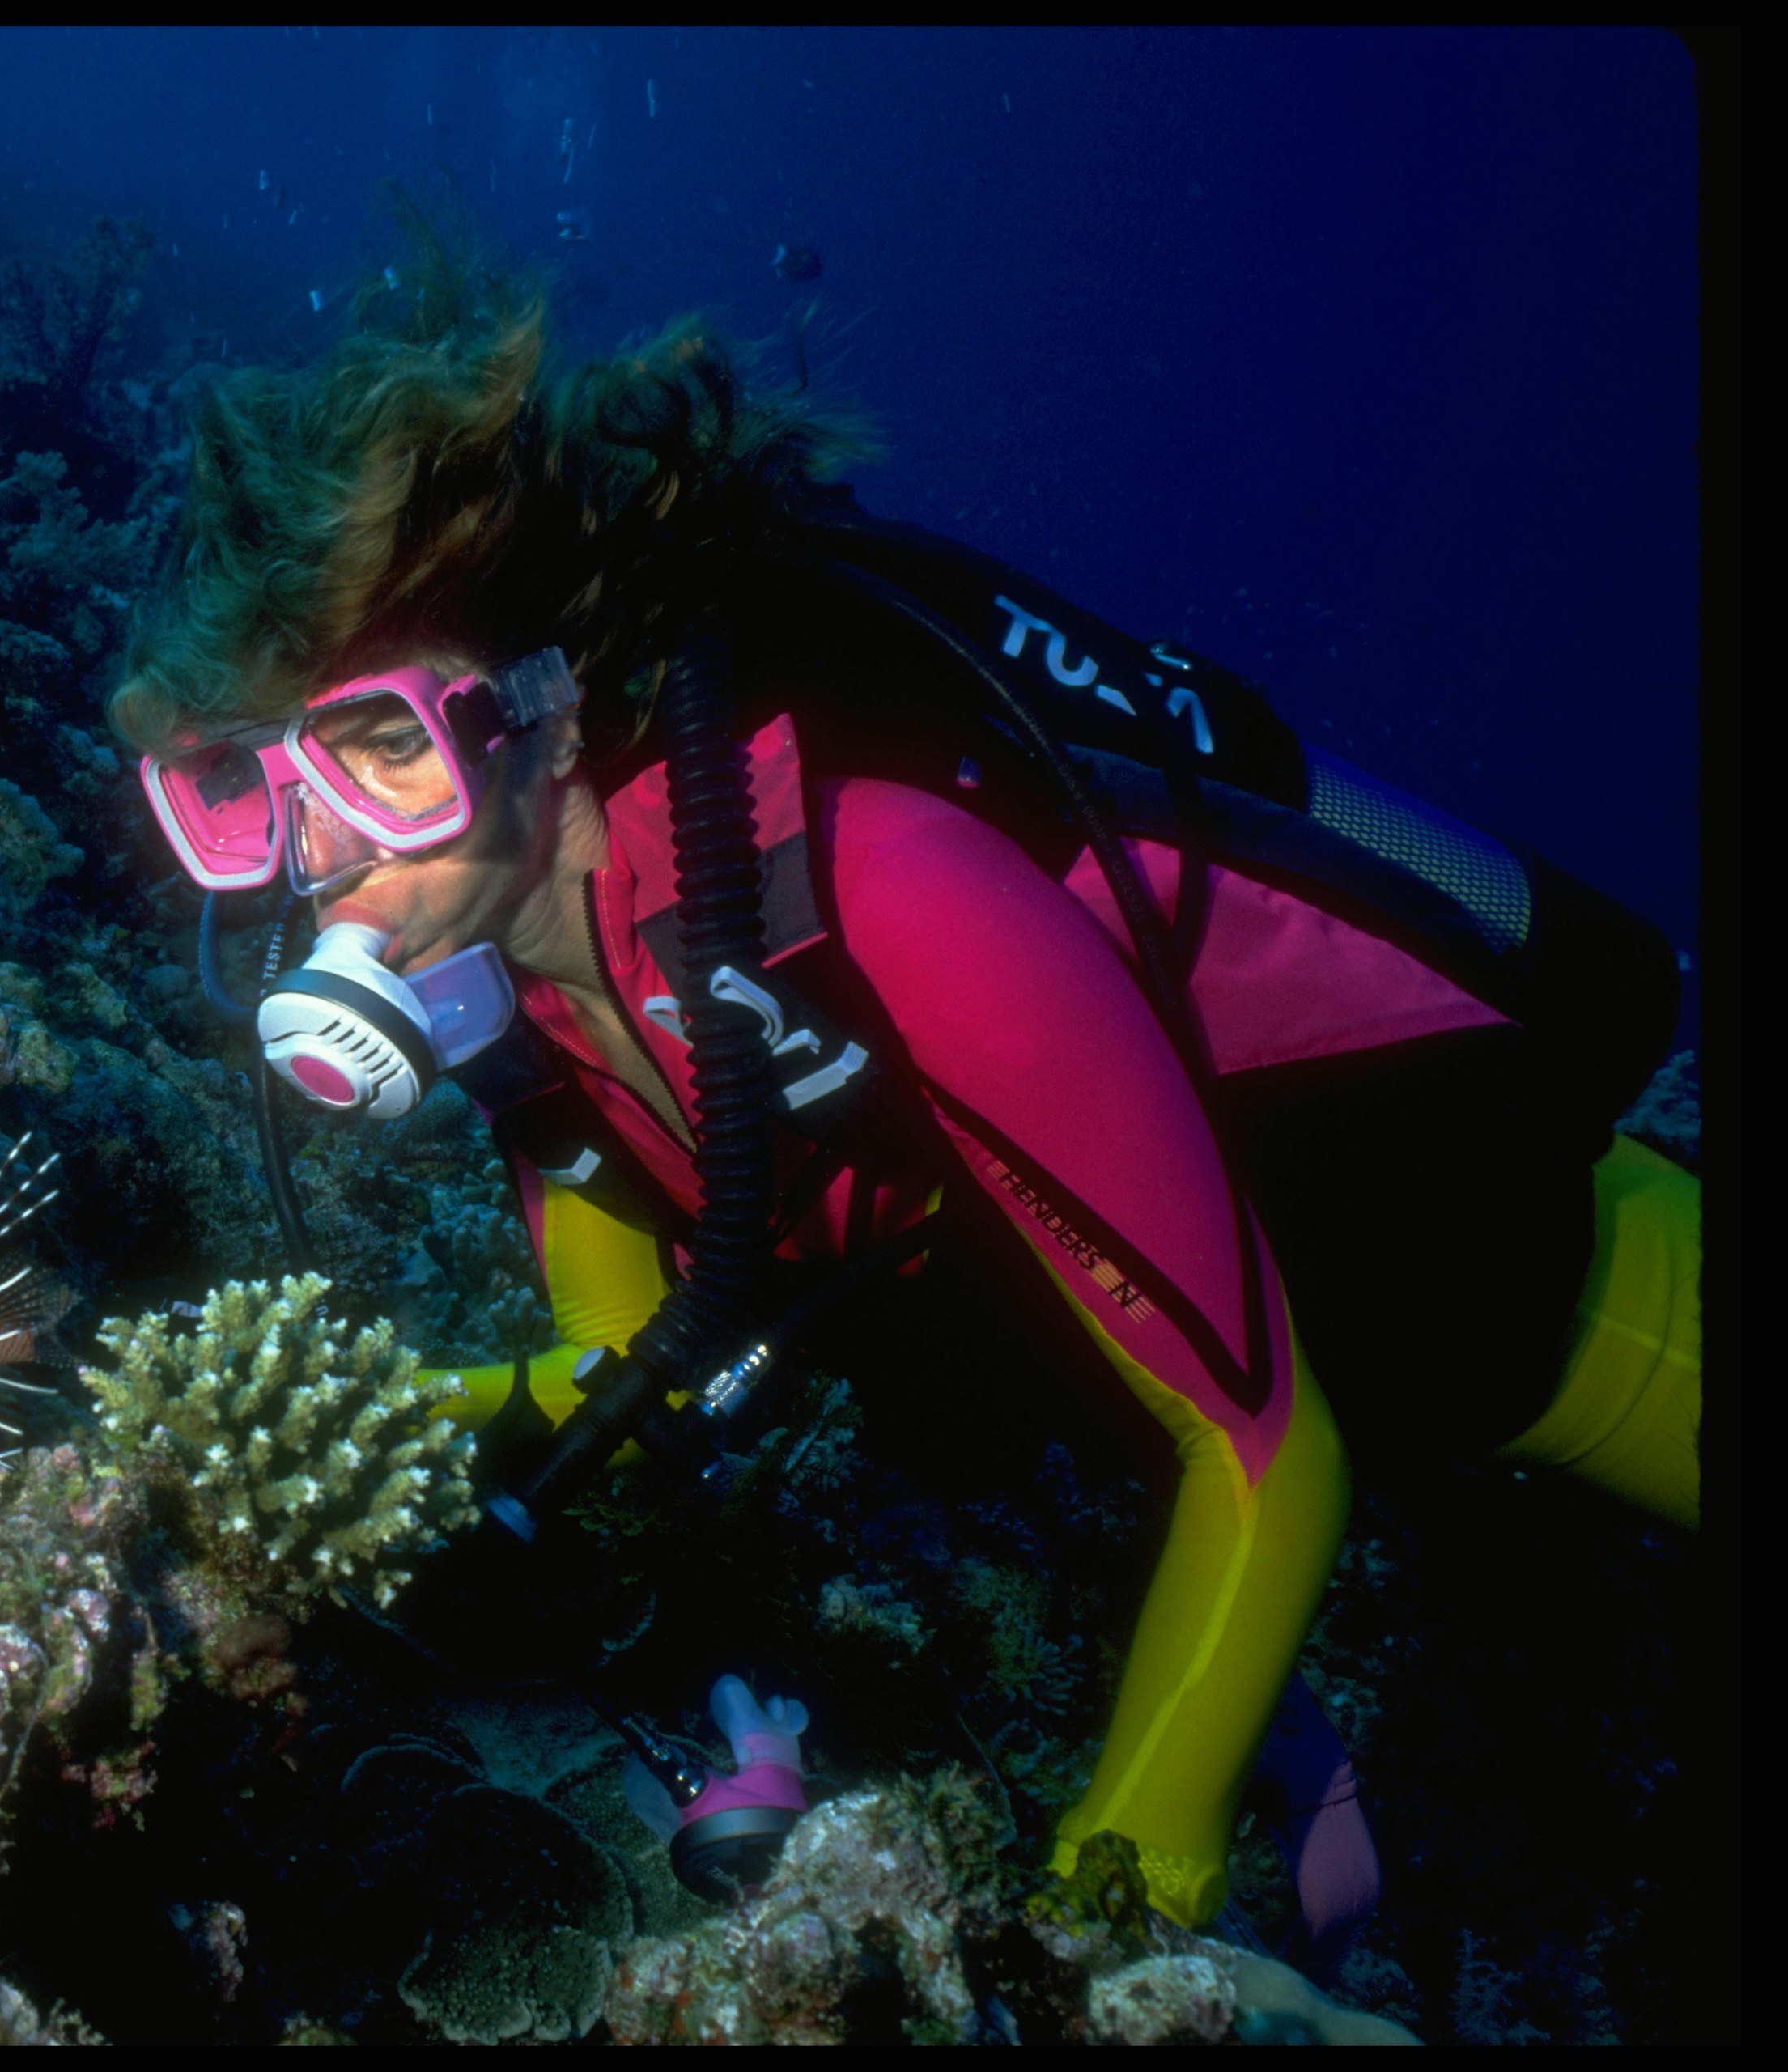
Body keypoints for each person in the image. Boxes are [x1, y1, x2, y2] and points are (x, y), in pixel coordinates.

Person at [108, 245, 1699, 1959]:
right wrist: (343, 1445)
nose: (320, 848)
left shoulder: (878, 884)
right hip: (1211, 1383)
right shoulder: (529, 1013)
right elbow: (616, 1359)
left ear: (547, 718)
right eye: (248, 789)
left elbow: (1260, 1449)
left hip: (1541, 1287)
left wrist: (1112, 1894)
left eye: (380, 747)